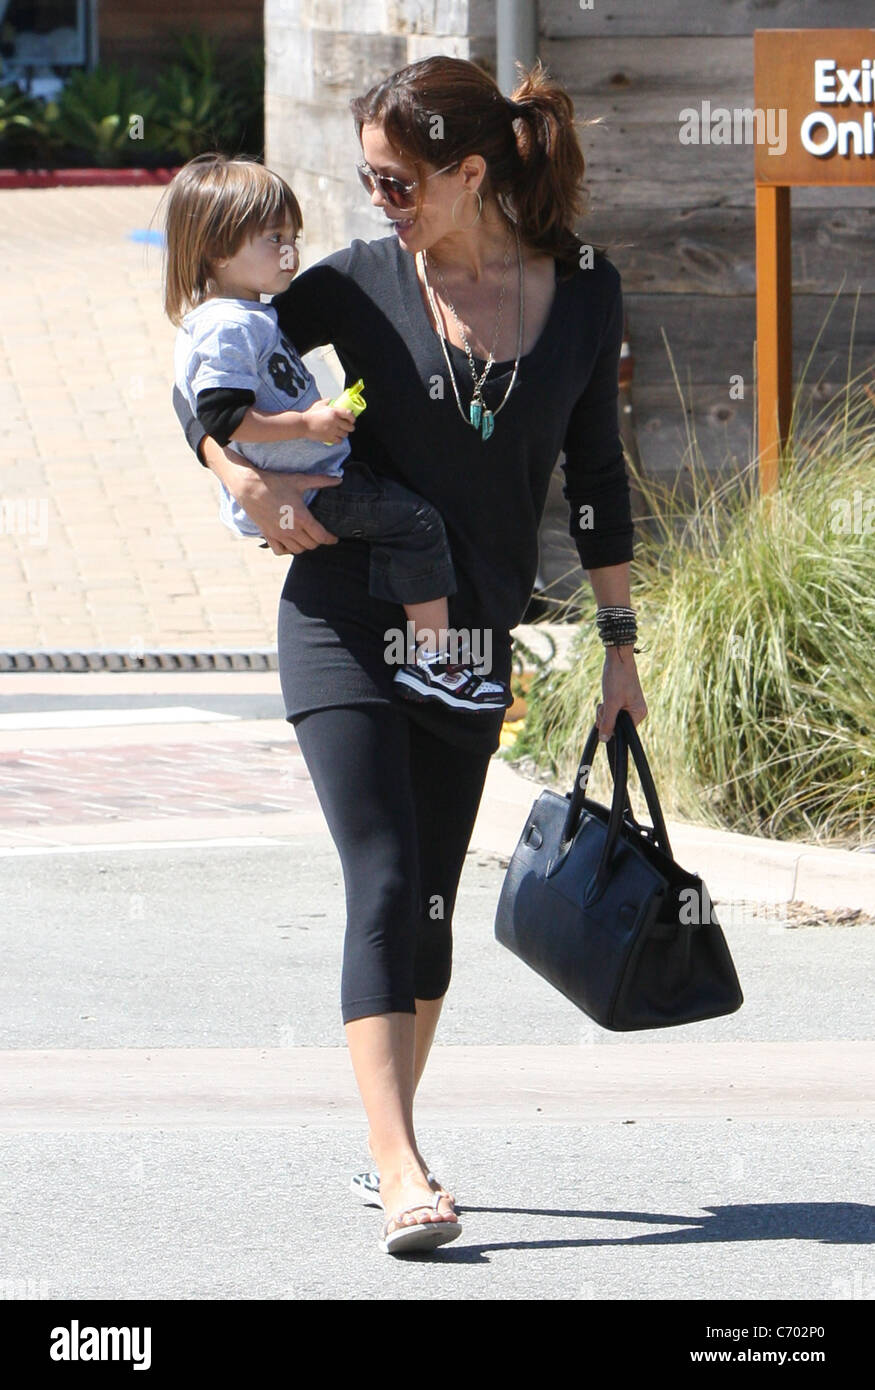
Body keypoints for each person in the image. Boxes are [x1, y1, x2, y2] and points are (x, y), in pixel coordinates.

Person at [172, 54, 648, 1256]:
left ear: (469, 172)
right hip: (341, 606)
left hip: (471, 626)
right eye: (368, 180)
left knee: (432, 893)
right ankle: (399, 1166)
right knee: (384, 874)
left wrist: (618, 644)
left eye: (395, 182)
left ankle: (391, 1130)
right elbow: (209, 370)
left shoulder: (585, 291)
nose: (374, 201)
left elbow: (593, 475)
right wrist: (236, 474)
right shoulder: (352, 286)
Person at [162, 153, 509, 714]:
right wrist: (308, 424)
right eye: (273, 238)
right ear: (218, 250)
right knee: (415, 523)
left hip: (315, 474)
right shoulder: (225, 326)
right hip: (304, 486)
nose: (290, 251)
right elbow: (222, 416)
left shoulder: (251, 314)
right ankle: (435, 664)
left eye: (292, 236)